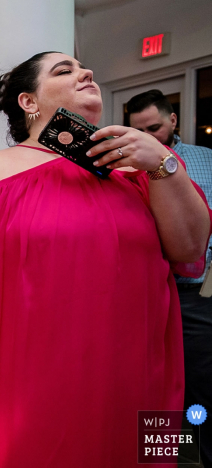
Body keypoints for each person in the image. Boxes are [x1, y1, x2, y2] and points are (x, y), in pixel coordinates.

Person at [0, 51, 212, 467]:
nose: (87, 72)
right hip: (27, 379)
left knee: (140, 452)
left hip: (133, 370)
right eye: (65, 70)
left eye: (84, 66)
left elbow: (191, 249)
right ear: (28, 102)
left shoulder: (138, 173)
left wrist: (161, 161)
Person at [128, 89, 212, 465]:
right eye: (140, 130)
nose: (149, 136)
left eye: (155, 127)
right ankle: (164, 457)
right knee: (154, 379)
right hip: (146, 291)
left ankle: (199, 458)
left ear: (173, 120)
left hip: (196, 291)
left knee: (198, 380)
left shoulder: (206, 160)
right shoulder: (127, 163)